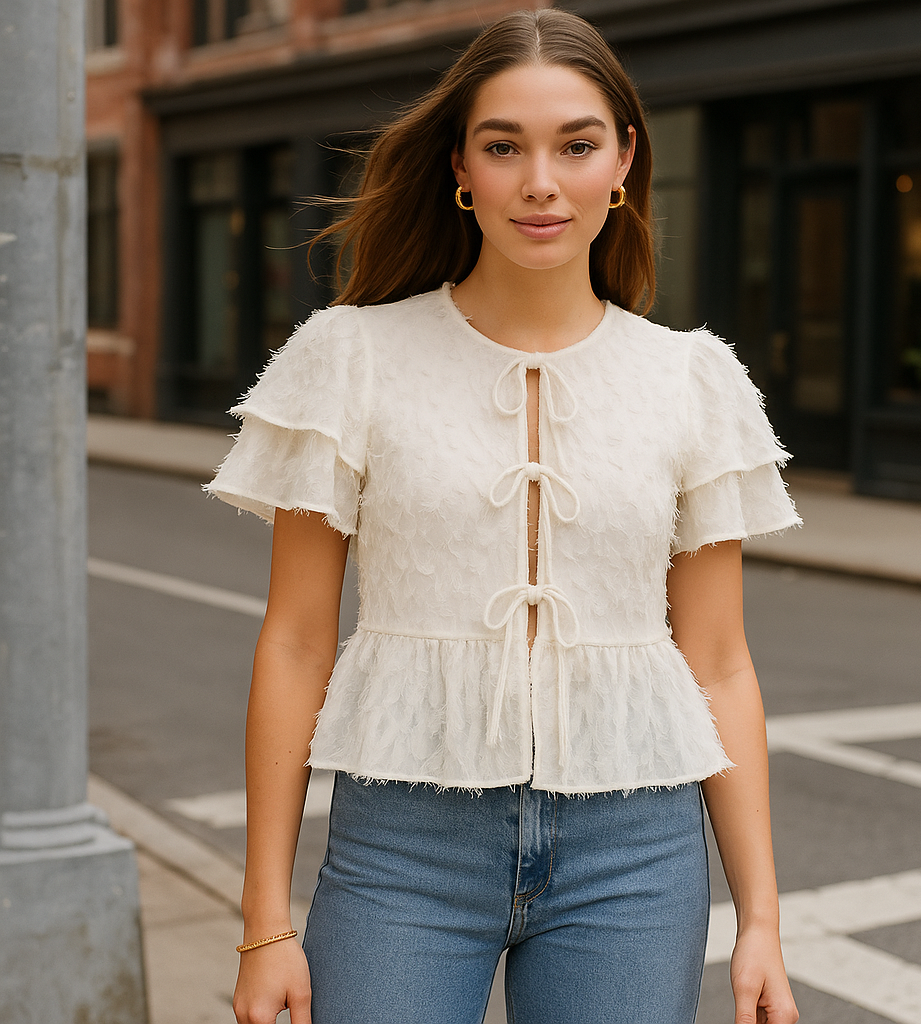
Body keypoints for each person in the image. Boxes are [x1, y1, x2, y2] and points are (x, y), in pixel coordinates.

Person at [208, 9, 802, 1024]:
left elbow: (718, 659)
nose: (540, 180)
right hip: (404, 845)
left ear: (622, 160)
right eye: (503, 146)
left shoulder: (693, 380)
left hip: (635, 848)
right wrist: (265, 921)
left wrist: (760, 921)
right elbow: (299, 641)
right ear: (460, 168)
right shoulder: (349, 357)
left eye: (575, 144)